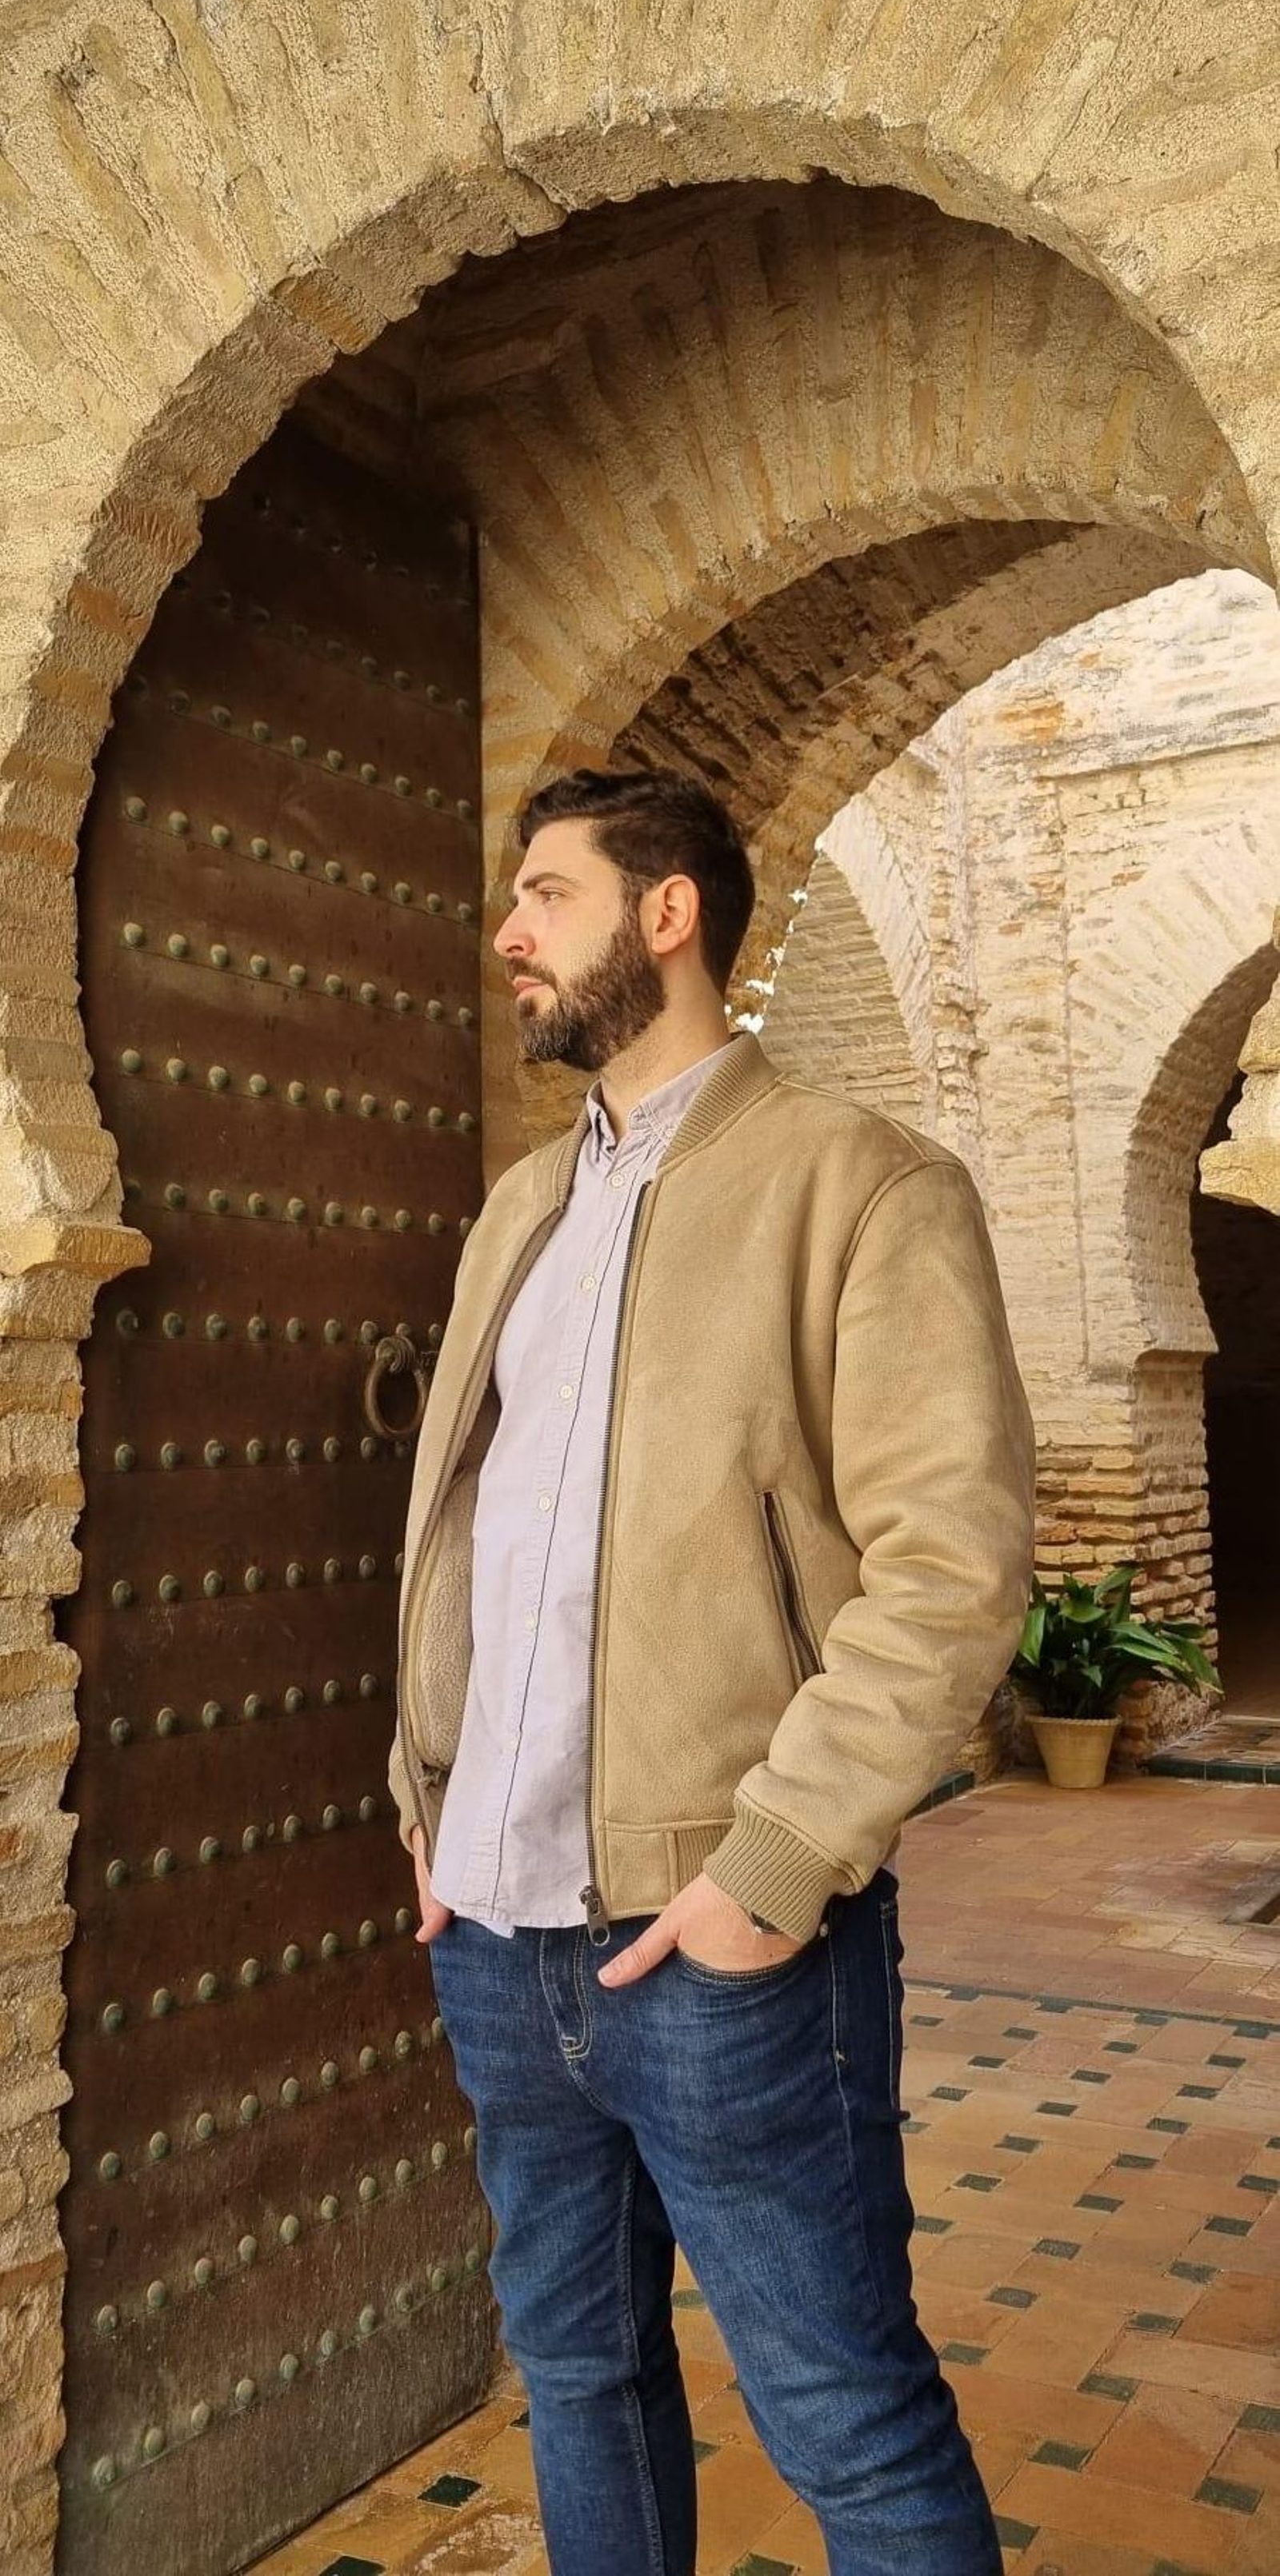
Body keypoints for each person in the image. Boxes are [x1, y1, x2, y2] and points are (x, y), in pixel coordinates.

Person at [389, 767, 1036, 2576]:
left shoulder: (857, 1183)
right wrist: (425, 1799)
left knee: (846, 2421)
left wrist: (765, 1876)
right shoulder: (516, 1210)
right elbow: (469, 1534)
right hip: (500, 1946)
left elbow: (952, 1567)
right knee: (579, 2379)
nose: (506, 935)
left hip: (720, 1945)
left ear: (663, 913)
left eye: (543, 894)